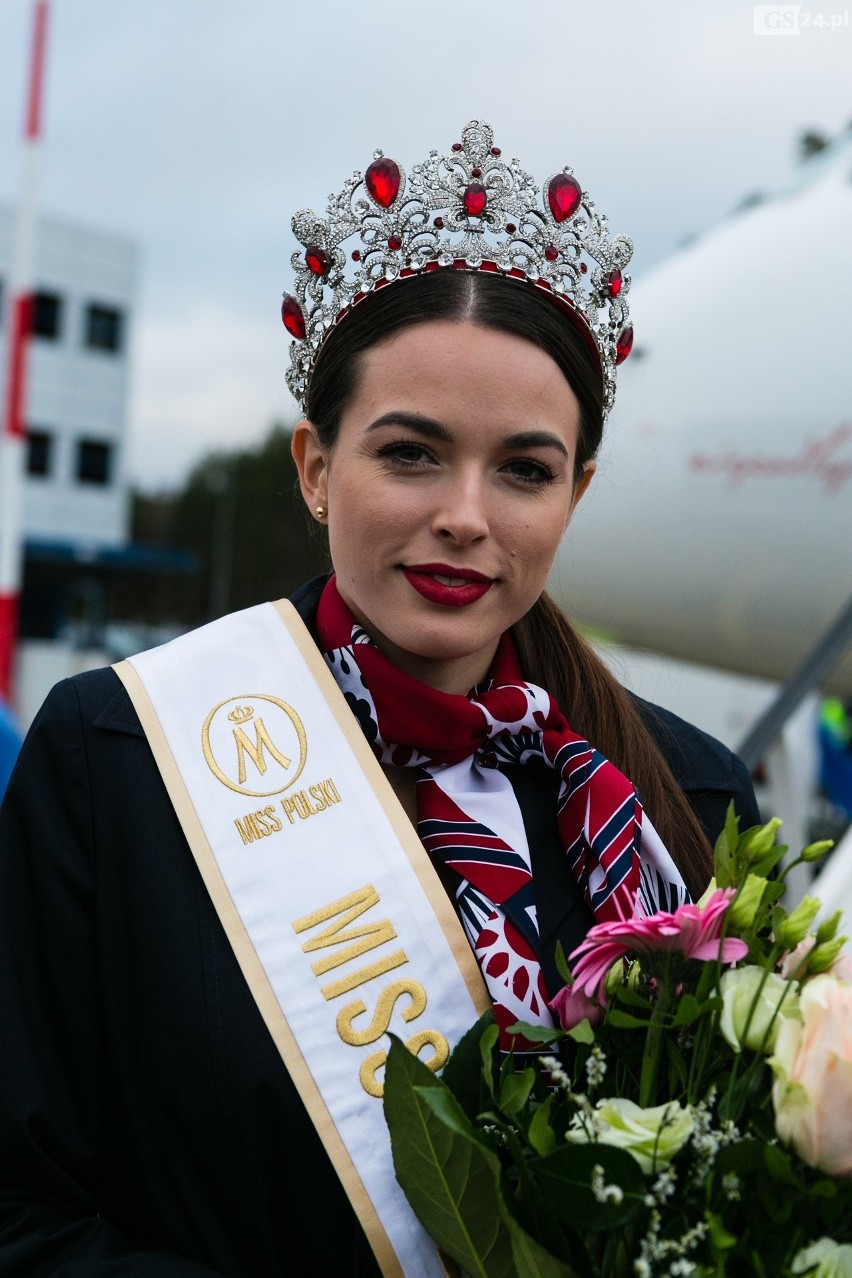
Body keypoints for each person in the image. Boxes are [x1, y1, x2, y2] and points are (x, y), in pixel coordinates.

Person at [0, 120, 759, 1278]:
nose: (466, 513)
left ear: (578, 491)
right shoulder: (119, 760)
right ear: (314, 465)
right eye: (410, 454)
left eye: (524, 469)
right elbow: (22, 1218)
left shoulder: (683, 797)